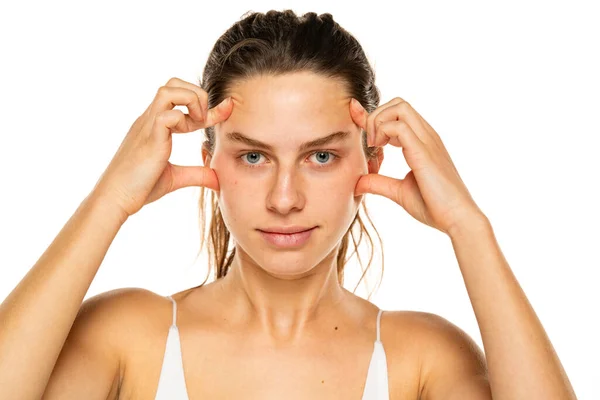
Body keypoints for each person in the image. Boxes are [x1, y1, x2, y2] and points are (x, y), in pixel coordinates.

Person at [0, 9, 576, 400]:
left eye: (320, 157)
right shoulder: (128, 334)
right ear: (210, 158)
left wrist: (469, 227)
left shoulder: (423, 358)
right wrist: (110, 200)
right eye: (253, 157)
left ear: (371, 161)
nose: (284, 199)